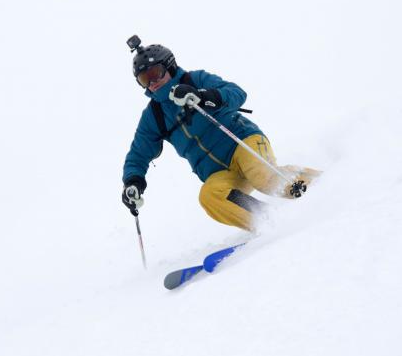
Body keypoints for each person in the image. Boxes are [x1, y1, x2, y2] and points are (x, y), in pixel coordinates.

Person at [121, 36, 320, 232]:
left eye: (155, 73)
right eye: (144, 79)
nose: (152, 83)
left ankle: (321, 185)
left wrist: (204, 97)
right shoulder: (154, 115)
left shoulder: (195, 80)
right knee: (210, 196)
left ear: (169, 67)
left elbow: (236, 92)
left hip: (243, 142)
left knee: (263, 177)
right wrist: (133, 182)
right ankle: (268, 220)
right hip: (219, 172)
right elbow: (138, 153)